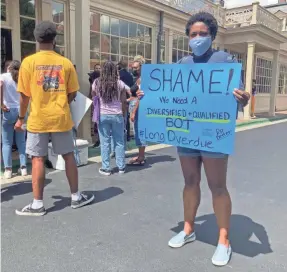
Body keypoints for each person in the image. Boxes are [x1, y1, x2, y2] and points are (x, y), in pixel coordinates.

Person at [137, 12, 250, 266]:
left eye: (202, 34)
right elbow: (166, 93)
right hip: (186, 133)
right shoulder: (182, 64)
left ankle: (224, 240)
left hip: (212, 134)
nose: (197, 38)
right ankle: (188, 228)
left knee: (217, 186)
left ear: (212, 35)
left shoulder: (224, 60)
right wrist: (148, 95)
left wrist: (243, 97)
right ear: (188, 37)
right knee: (190, 181)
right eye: (193, 34)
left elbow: (240, 94)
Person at [14, 21, 94, 216]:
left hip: (38, 119)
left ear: (36, 39)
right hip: (61, 118)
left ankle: (37, 204)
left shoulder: (28, 63)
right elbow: (73, 93)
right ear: (54, 40)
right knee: (68, 156)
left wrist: (20, 118)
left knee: (37, 159)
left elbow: (24, 96)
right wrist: (61, 102)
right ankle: (75, 197)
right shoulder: (65, 63)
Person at [92, 61, 128, 176]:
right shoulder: (120, 83)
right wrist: (123, 114)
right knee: (119, 141)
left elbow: (93, 96)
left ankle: (106, 168)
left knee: (105, 142)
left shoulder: (97, 83)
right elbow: (123, 100)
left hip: (103, 115)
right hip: (117, 115)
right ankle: (121, 167)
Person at [1, 60, 27, 179]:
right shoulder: (23, 76)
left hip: (8, 110)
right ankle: (23, 167)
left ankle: (8, 169)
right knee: (21, 141)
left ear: (9, 68)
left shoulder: (4, 76)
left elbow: (0, 85)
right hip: (21, 111)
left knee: (7, 142)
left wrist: (1, 103)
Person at [110, 59, 134, 157]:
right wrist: (128, 100)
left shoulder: (116, 82)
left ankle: (113, 151)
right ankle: (121, 149)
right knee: (123, 129)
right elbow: (131, 90)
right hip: (123, 106)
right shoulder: (128, 76)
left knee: (112, 131)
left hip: (111, 108)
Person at [128, 57, 147, 165]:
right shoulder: (138, 78)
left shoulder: (143, 79)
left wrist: (134, 111)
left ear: (141, 67)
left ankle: (141, 156)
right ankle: (141, 155)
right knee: (137, 130)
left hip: (138, 107)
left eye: (135, 68)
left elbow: (141, 97)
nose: (133, 69)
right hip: (134, 104)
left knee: (139, 130)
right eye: (132, 67)